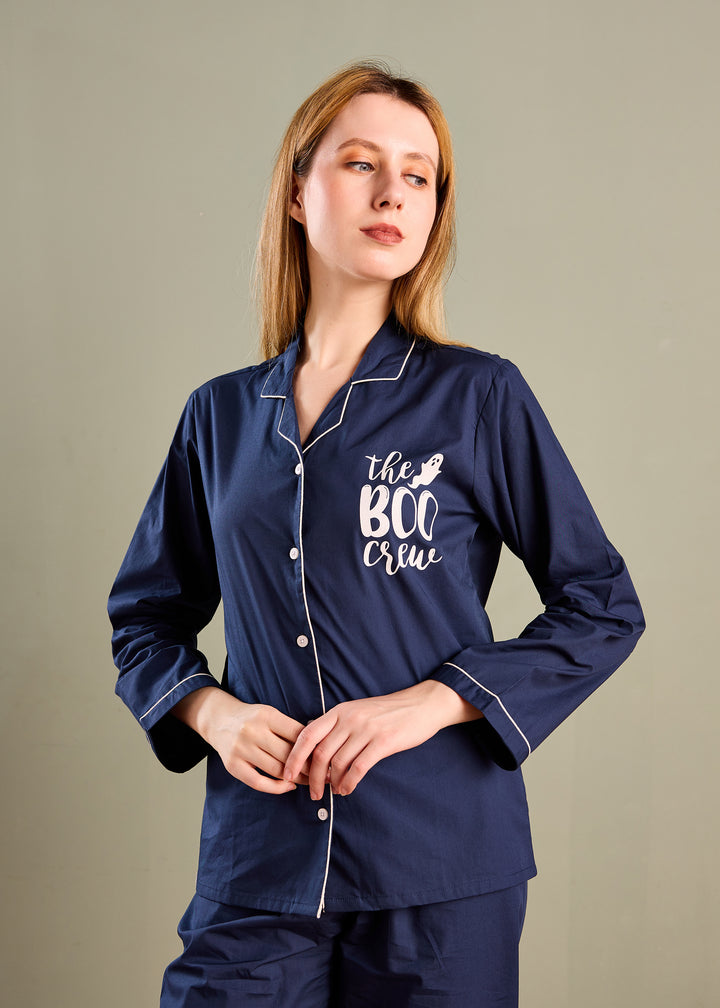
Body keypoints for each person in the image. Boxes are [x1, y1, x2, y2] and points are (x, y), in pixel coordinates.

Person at [108, 60, 644, 1007]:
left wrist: (432, 703)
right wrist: (214, 715)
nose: (393, 192)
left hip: (440, 866)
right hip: (258, 863)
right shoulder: (218, 417)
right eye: (361, 163)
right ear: (297, 192)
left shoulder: (479, 395)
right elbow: (145, 620)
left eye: (419, 175)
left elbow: (603, 604)